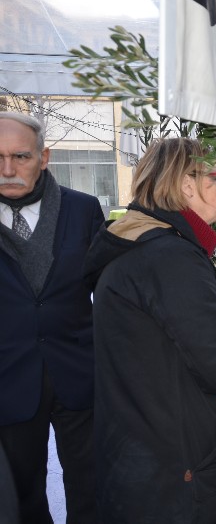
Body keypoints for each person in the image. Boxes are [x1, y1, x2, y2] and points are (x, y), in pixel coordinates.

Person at [83, 137, 216, 523]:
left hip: (144, 453)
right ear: (187, 186)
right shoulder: (169, 257)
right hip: (176, 472)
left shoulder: (138, 242)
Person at [0, 111, 104, 523]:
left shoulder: (83, 210)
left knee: (92, 489)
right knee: (21, 495)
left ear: (44, 157)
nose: (7, 169)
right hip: (9, 379)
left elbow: (108, 292)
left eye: (20, 157)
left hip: (79, 374)